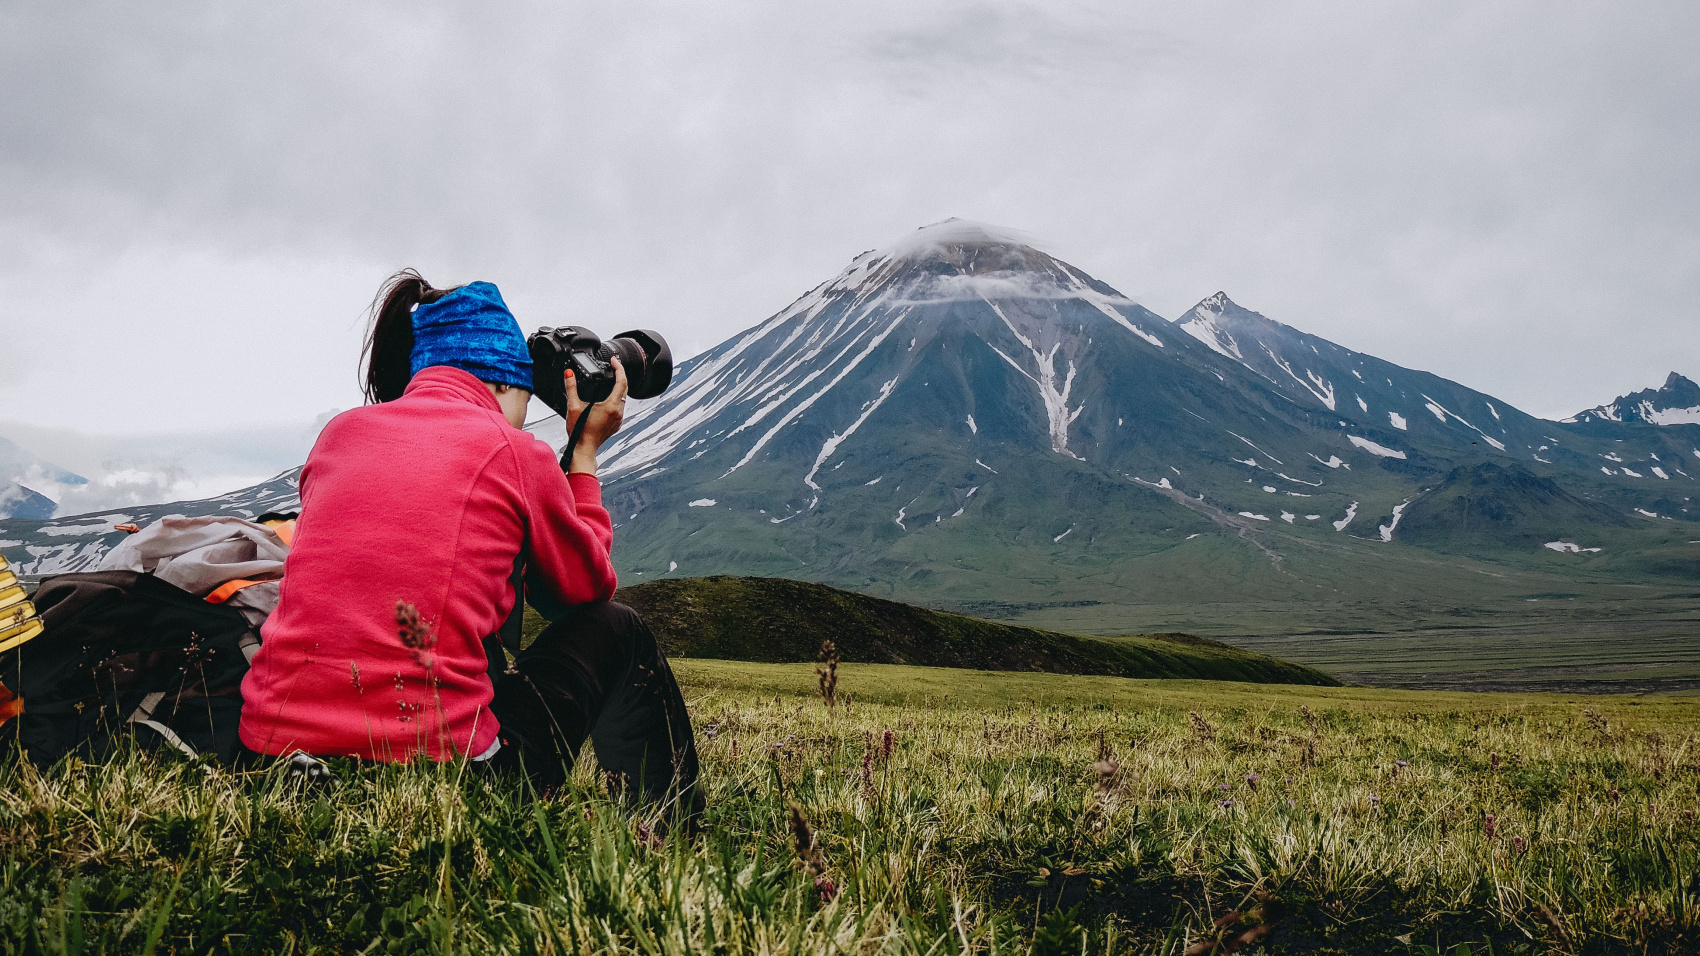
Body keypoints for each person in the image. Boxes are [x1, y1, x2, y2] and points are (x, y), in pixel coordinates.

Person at [238, 271, 699, 814]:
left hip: (267, 749)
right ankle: (669, 827)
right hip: (442, 764)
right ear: (502, 383)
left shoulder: (340, 434)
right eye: (526, 396)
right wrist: (583, 455)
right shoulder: (514, 451)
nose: (528, 416)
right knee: (621, 629)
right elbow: (585, 593)